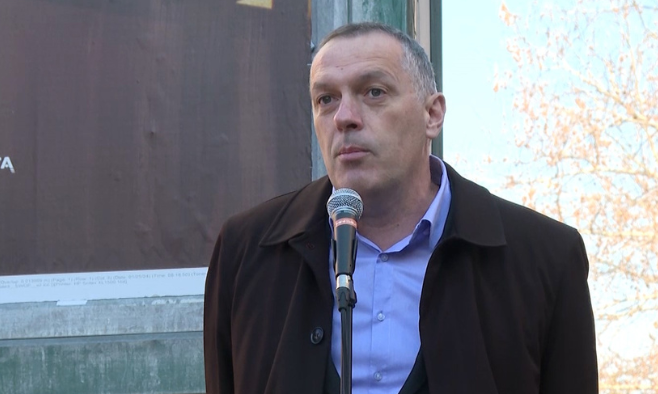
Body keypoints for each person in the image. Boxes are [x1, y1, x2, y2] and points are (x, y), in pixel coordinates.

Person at [203, 22, 598, 394]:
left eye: (373, 92)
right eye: (326, 99)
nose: (344, 117)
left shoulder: (544, 257)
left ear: (432, 115)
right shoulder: (247, 252)